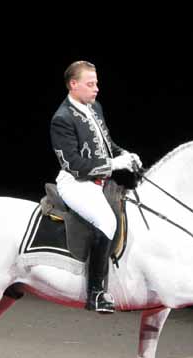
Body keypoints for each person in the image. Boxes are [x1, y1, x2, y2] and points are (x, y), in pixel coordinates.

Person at [50, 61, 142, 313]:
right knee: (107, 221)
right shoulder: (62, 119)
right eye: (90, 84)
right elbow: (76, 165)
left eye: (97, 83)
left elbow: (107, 143)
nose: (96, 88)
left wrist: (126, 155)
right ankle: (96, 292)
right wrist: (114, 164)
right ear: (73, 84)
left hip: (100, 182)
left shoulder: (94, 107)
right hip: (77, 184)